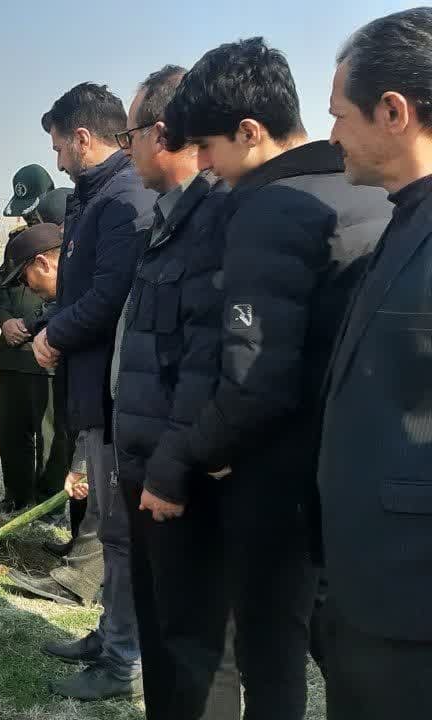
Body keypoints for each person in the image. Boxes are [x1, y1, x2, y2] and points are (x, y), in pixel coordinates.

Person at [158, 37, 390, 718]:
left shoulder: (268, 209)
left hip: (278, 479)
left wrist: (187, 455)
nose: (202, 165)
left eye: (207, 146)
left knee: (270, 653)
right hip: (354, 473)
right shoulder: (369, 195)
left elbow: (254, 380)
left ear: (251, 132)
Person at [113, 65, 240, 720]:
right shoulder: (169, 221)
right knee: (164, 643)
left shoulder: (214, 223)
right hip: (148, 475)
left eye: (130, 133)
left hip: (179, 484)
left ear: (161, 133)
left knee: (196, 650)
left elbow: (210, 364)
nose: (126, 149)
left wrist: (171, 470)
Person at [317, 10, 432, 717]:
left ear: (393, 112)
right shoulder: (404, 217)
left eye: (338, 114)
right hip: (368, 588)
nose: (331, 135)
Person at [28, 82, 156, 700]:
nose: (55, 158)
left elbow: (109, 296)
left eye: (58, 145)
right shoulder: (93, 198)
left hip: (113, 386)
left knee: (123, 533)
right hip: (93, 385)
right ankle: (109, 634)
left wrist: (54, 335)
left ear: (82, 138)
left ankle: (123, 660)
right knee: (108, 527)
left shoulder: (123, 200)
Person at [0, 166, 71, 516]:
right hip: (14, 354)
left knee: (53, 434)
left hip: (50, 354)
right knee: (12, 429)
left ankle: (48, 504)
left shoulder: (70, 246)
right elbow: (0, 288)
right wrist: (5, 320)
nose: (29, 217)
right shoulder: (19, 244)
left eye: (33, 211)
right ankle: (16, 497)